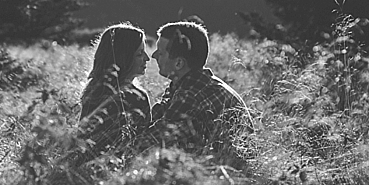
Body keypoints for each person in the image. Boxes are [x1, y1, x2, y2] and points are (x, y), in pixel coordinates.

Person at [145, 20, 252, 152]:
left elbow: (151, 141)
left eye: (160, 53)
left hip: (225, 169)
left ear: (178, 63)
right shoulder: (199, 82)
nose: (154, 56)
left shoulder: (191, 94)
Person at [77, 23, 151, 157]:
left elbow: (81, 141)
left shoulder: (94, 91)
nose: (147, 58)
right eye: (140, 54)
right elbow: (142, 147)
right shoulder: (137, 98)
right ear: (124, 58)